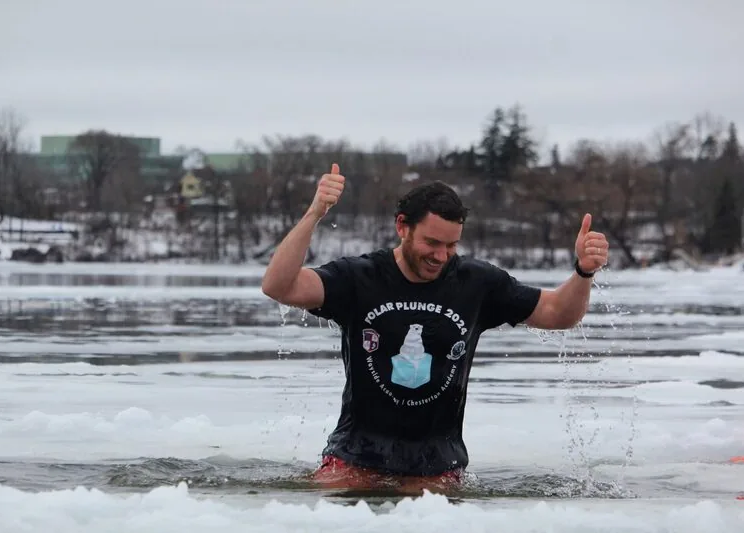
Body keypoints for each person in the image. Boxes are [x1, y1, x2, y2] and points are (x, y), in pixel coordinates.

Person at [261, 163, 609, 492]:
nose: (441, 256)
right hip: (355, 460)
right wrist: (314, 213)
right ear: (402, 227)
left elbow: (558, 313)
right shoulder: (359, 277)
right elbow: (279, 286)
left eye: (451, 245)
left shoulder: (477, 283)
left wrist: (583, 272)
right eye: (431, 242)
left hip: (437, 468)